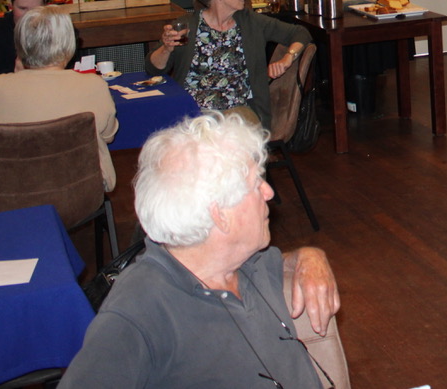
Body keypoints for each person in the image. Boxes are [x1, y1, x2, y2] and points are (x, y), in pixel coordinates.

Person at [59, 113, 347, 389]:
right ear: (219, 215)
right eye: (256, 184)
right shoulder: (139, 310)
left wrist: (310, 256)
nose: (269, 192)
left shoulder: (241, 261)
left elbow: (280, 263)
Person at [0, 6, 118, 219]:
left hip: (12, 199)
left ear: (21, 45)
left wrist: (16, 76)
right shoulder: (93, 85)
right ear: (69, 42)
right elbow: (108, 135)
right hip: (81, 193)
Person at [147, 0, 310, 129]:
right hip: (193, 112)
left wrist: (288, 57)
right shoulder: (187, 25)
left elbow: (301, 33)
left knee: (216, 134)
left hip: (239, 113)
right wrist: (166, 48)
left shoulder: (251, 22)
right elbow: (153, 69)